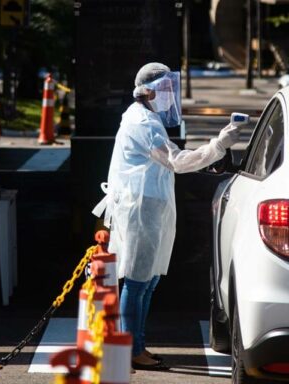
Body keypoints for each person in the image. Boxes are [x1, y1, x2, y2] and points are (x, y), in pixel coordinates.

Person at [93, 62, 241, 370]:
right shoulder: (142, 123)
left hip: (150, 208)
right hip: (140, 210)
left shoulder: (148, 118)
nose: (168, 95)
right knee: (137, 281)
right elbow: (176, 161)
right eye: (163, 90)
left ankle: (137, 345)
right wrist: (218, 145)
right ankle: (132, 348)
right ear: (146, 92)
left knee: (148, 281)